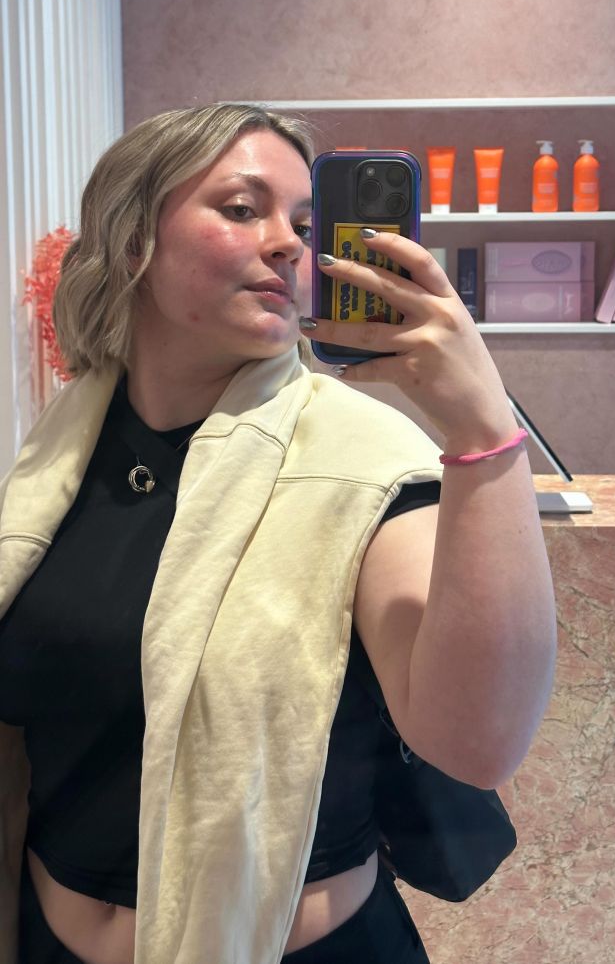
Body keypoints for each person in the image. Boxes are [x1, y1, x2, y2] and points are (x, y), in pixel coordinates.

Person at [0, 103, 557, 964]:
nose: (290, 245)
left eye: (304, 223)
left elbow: (477, 744)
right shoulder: (57, 456)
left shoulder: (365, 460)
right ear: (132, 238)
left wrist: (480, 427)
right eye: (242, 208)